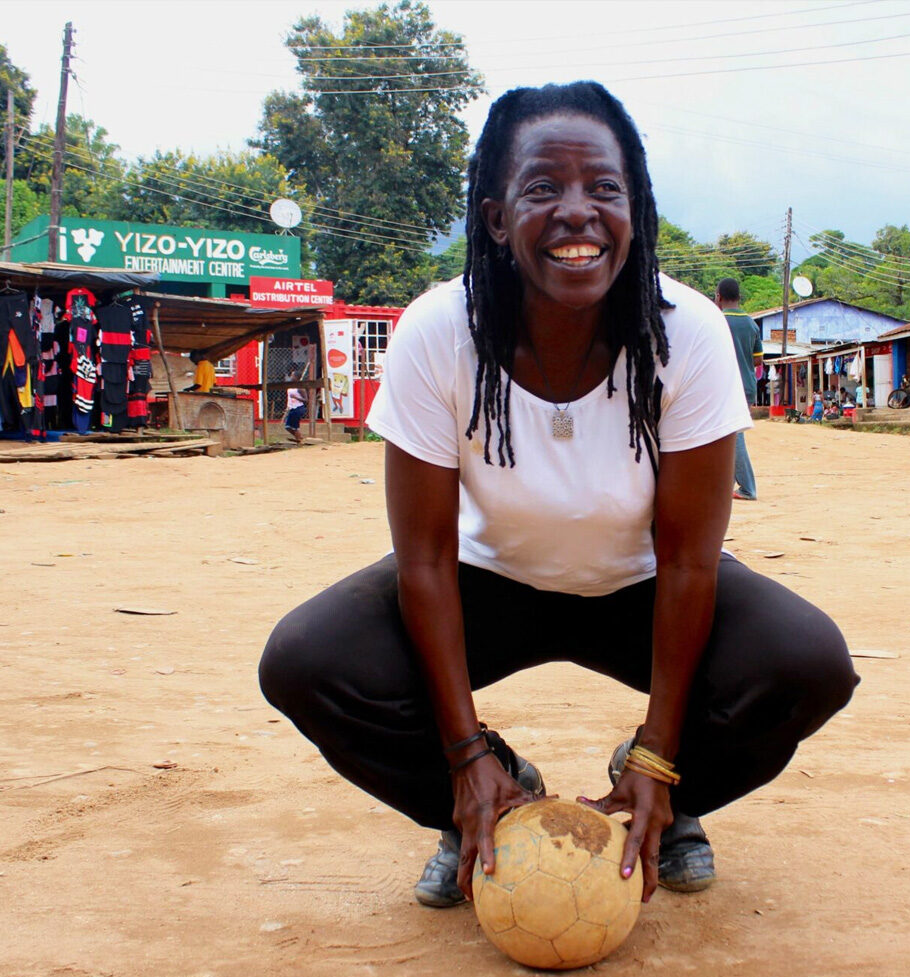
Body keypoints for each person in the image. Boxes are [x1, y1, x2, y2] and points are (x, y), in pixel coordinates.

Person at [259, 81, 858, 913]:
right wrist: (465, 754)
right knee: (306, 663)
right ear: (498, 217)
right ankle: (481, 801)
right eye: (544, 188)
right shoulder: (439, 331)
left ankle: (665, 799)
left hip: (644, 586)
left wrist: (656, 754)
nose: (578, 212)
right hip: (487, 582)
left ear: (635, 210)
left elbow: (690, 560)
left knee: (809, 664)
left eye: (603, 189)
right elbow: (425, 559)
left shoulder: (686, 331)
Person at [714, 278, 762, 500]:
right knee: (729, 433)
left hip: (724, 384)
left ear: (718, 297)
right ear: (739, 297)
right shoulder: (751, 324)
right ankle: (729, 483)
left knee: (734, 434)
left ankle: (747, 487)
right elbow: (758, 361)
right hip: (748, 385)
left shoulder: (715, 321)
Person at [284, 371, 307, 443]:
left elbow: (306, 400)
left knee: (295, 427)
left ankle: (300, 439)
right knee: (288, 427)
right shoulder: (290, 385)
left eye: (292, 376)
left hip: (298, 408)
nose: (291, 377)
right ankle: (299, 438)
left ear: (296, 378)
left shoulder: (300, 388)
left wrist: (296, 397)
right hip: (292, 408)